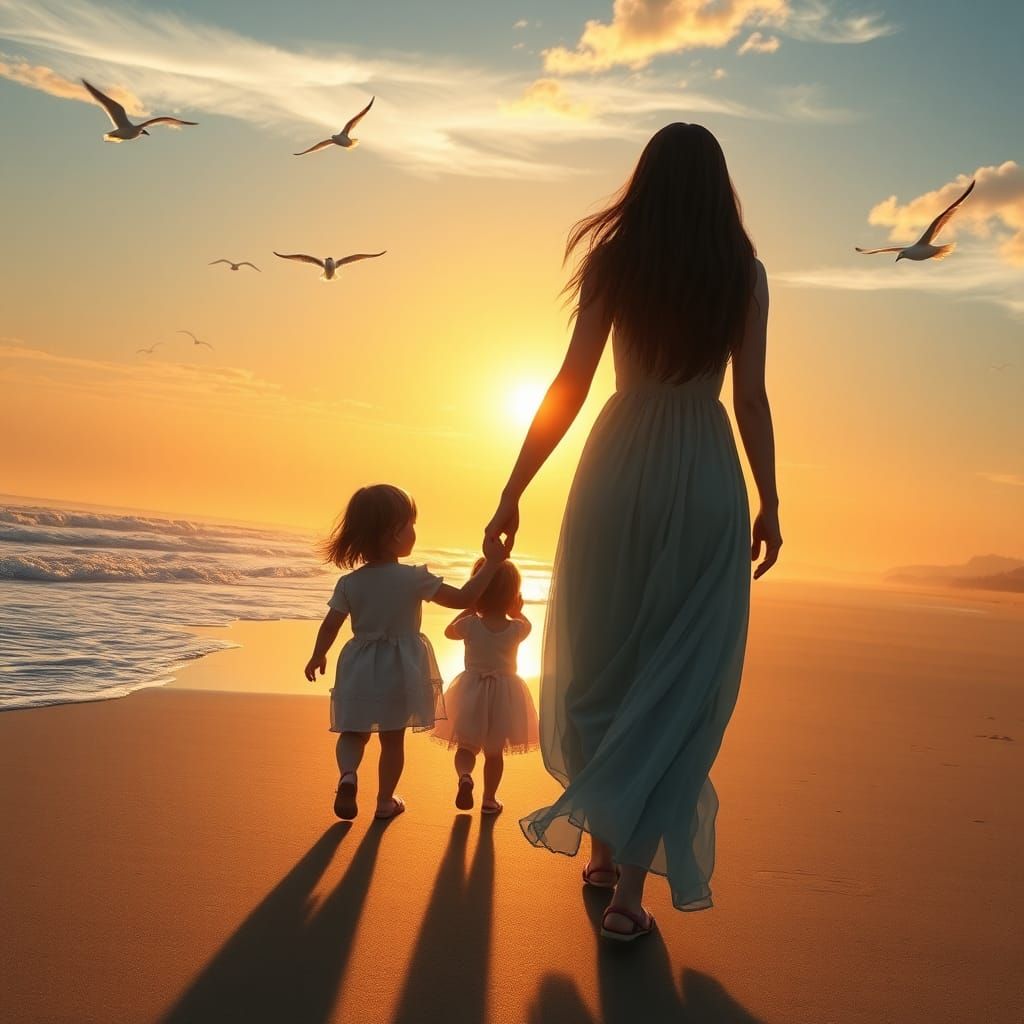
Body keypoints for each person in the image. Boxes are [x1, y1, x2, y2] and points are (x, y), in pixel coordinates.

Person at [484, 123, 782, 941]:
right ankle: (626, 900)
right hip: (704, 471)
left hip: (616, 470)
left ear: (644, 183)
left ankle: (605, 854)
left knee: (604, 666)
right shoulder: (742, 275)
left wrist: (514, 488)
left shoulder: (616, 262)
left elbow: (571, 381)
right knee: (681, 685)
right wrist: (771, 501)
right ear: (719, 189)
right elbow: (749, 398)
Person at [305, 483, 507, 821]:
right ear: (392, 532)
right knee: (392, 739)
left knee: (352, 730)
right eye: (410, 524)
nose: (414, 530)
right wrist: (491, 563)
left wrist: (318, 655)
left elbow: (331, 625)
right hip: (401, 669)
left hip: (358, 666)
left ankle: (348, 775)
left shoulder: (350, 583)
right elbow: (464, 599)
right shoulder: (414, 578)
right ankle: (384, 801)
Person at [432, 557, 540, 815]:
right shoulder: (516, 628)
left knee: (466, 746)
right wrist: (517, 611)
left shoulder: (469, 625)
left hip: (471, 692)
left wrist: (468, 605)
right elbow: (528, 626)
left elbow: (448, 632)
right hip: (505, 696)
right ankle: (489, 799)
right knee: (494, 753)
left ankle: (465, 776)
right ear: (513, 595)